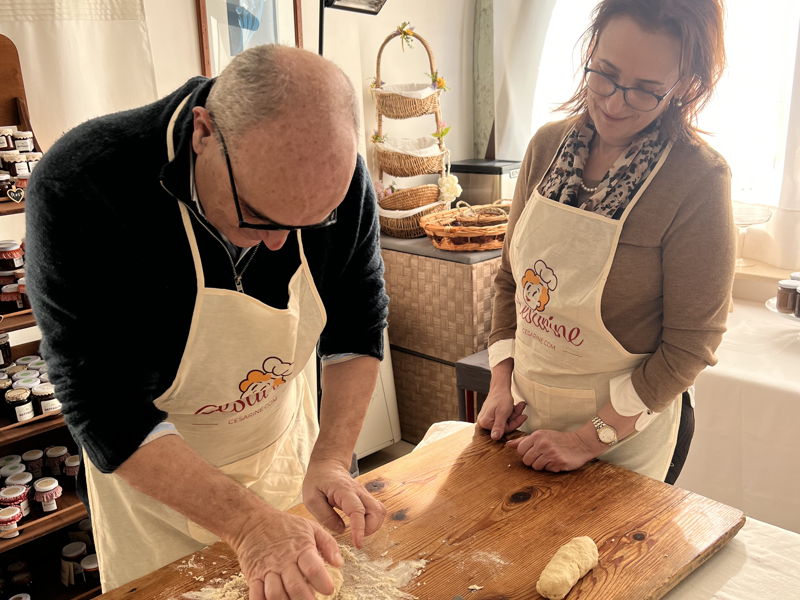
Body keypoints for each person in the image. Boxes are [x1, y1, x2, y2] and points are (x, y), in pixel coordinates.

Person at [26, 45, 389, 598]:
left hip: (283, 449)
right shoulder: (84, 185)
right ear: (203, 133)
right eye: (261, 218)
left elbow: (356, 326)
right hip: (155, 483)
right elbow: (104, 410)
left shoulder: (329, 176)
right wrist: (247, 524)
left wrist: (334, 460)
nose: (278, 243)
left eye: (308, 224)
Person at [478, 0, 734, 484]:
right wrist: (500, 381)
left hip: (623, 439)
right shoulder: (547, 146)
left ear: (682, 87)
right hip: (526, 416)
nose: (615, 103)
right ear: (590, 49)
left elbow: (690, 345)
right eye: (606, 75)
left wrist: (586, 440)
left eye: (645, 91)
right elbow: (512, 280)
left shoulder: (696, 178)